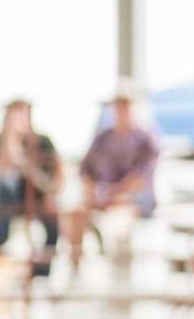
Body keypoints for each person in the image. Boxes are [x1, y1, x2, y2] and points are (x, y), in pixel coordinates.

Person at [63, 88, 158, 273]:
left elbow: (140, 179)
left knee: (118, 220)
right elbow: (85, 170)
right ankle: (76, 270)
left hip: (134, 201)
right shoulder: (102, 139)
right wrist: (92, 193)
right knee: (75, 214)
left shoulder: (146, 140)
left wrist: (113, 194)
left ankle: (116, 273)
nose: (122, 111)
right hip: (103, 197)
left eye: (126, 106)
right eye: (119, 106)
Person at [0, 98, 61, 276]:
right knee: (6, 180)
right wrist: (10, 139)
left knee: (53, 228)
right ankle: (0, 242)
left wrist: (51, 194)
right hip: (11, 201)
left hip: (40, 197)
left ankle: (42, 272)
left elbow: (58, 171)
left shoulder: (43, 141)